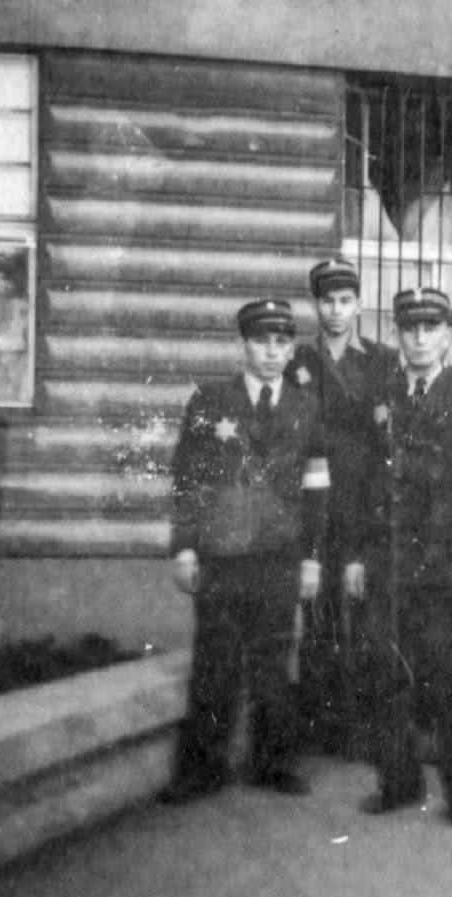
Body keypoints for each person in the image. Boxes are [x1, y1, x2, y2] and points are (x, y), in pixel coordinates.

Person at [350, 287, 452, 830]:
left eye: (431, 329)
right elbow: (368, 480)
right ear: (399, 335)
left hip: (449, 561)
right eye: (410, 329)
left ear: (447, 336)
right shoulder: (383, 393)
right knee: (387, 675)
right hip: (391, 559)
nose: (420, 339)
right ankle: (398, 780)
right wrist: (357, 554)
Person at [162, 299, 327, 804]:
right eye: (262, 341)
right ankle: (201, 770)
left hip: (278, 557)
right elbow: (189, 480)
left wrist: (312, 559)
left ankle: (273, 764)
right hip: (222, 557)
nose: (272, 352)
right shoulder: (210, 402)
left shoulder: (306, 406)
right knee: (215, 665)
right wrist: (185, 548)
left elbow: (318, 490)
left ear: (292, 347)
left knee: (274, 666)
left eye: (282, 342)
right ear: (244, 343)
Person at [286, 259, 398, 757]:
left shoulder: (381, 361)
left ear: (358, 303)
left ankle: (366, 730)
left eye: (345, 300)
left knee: (369, 619)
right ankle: (319, 728)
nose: (336, 310)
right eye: (327, 300)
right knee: (319, 619)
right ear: (316, 304)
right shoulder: (298, 364)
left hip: (365, 505)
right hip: (315, 507)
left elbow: (387, 445)